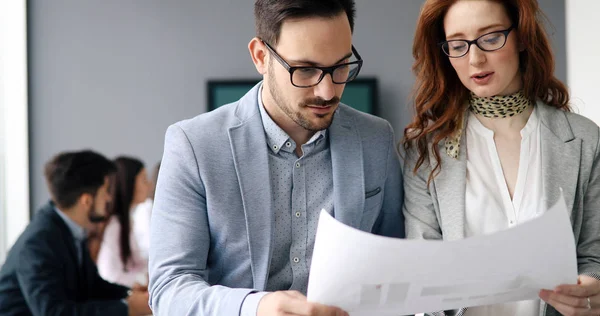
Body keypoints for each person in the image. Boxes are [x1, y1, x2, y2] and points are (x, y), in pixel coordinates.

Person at [148, 0, 405, 315]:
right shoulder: (194, 145)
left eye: (340, 67)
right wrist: (255, 307)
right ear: (260, 56)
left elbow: (396, 264)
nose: (327, 91)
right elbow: (169, 290)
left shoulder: (375, 138)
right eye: (306, 69)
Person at [403, 0, 600, 315]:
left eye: (491, 38)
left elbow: (594, 255)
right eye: (457, 45)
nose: (475, 59)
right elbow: (421, 267)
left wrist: (589, 289)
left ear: (522, 37)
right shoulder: (425, 149)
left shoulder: (584, 139)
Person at [0, 150, 152, 316]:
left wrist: (130, 294)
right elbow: (53, 313)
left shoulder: (67, 228)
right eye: (106, 191)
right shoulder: (38, 242)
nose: (109, 198)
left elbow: (92, 285)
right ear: (86, 200)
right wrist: (127, 308)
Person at [97, 156, 151, 287]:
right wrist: (144, 280)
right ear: (129, 183)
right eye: (143, 180)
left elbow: (138, 262)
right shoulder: (114, 226)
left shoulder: (127, 221)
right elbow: (110, 275)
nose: (150, 185)